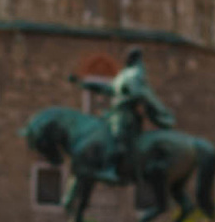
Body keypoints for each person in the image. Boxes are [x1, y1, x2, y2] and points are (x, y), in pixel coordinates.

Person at [69, 47, 177, 184]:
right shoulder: (125, 74)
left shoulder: (137, 74)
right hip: (116, 113)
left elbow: (139, 93)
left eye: (131, 56)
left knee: (117, 134)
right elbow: (109, 88)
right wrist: (83, 83)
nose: (128, 58)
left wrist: (125, 98)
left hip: (127, 115)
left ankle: (112, 168)